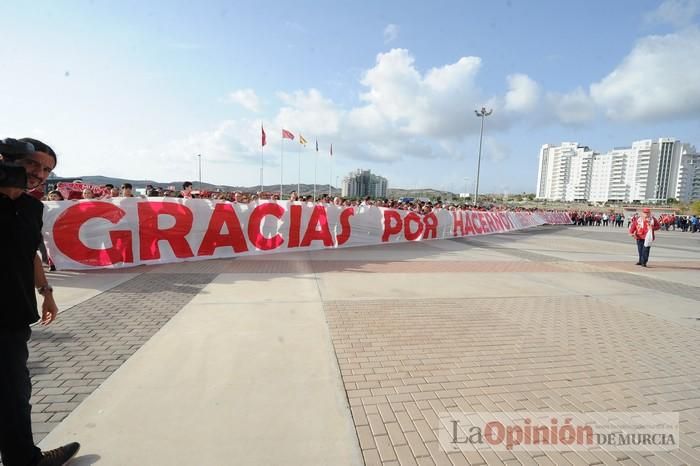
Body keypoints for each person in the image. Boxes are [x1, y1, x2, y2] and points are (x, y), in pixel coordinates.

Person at [0, 138, 80, 465]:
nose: (39, 173)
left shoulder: (33, 207)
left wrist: (46, 293)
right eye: (33, 164)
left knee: (15, 393)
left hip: (13, 314)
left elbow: (32, 252)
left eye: (47, 169)